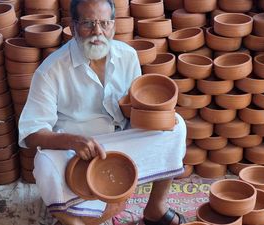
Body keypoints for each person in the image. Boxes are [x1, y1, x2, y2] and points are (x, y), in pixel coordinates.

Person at [17, 0, 187, 224]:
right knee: (44, 164)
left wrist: (147, 112)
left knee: (175, 125)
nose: (98, 31)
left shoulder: (127, 56)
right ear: (74, 26)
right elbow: (30, 134)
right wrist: (72, 141)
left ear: (114, 25)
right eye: (88, 23)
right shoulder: (51, 70)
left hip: (121, 141)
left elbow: (134, 106)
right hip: (77, 153)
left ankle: (155, 209)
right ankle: (76, 217)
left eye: (104, 23)